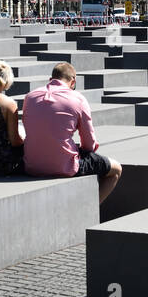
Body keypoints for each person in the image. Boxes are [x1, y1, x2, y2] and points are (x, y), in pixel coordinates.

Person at [22, 62, 121, 204]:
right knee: (116, 169)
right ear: (73, 81)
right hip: (65, 167)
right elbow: (89, 144)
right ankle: (90, 209)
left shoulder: (30, 96)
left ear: (51, 79)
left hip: (31, 165)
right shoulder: (78, 98)